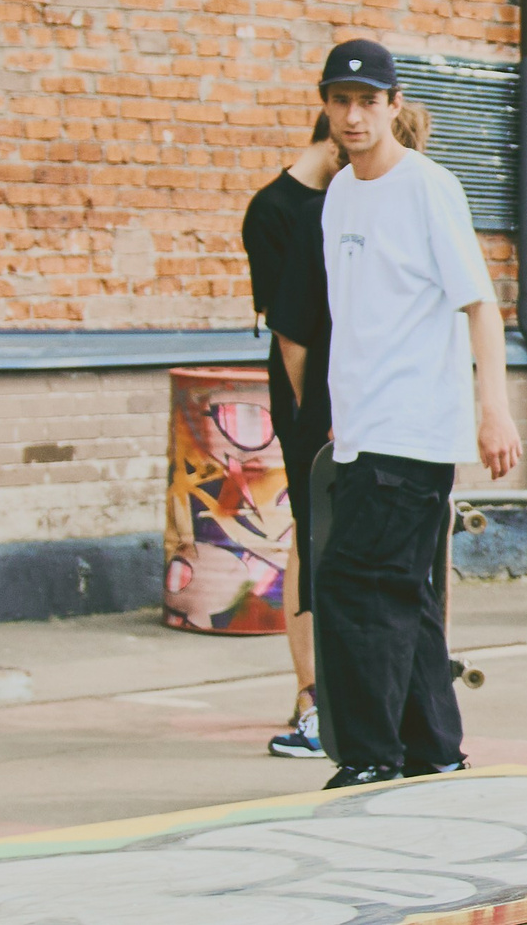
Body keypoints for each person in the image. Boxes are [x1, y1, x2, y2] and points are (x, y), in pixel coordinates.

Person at [313, 40, 521, 789]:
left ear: (394, 106)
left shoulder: (428, 187)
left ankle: (372, 754)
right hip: (365, 429)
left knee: (350, 583)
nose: (354, 115)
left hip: (416, 427)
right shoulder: (341, 193)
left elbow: (481, 306)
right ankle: (433, 746)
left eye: (368, 102)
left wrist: (491, 412)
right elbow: (357, 314)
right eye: (341, 100)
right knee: (405, 590)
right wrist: (344, 409)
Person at [239, 112, 342, 759]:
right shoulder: (274, 211)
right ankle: (310, 694)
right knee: (310, 533)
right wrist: (313, 409)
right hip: (311, 391)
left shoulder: (356, 193)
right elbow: (291, 327)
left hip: (359, 386)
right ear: (336, 131)